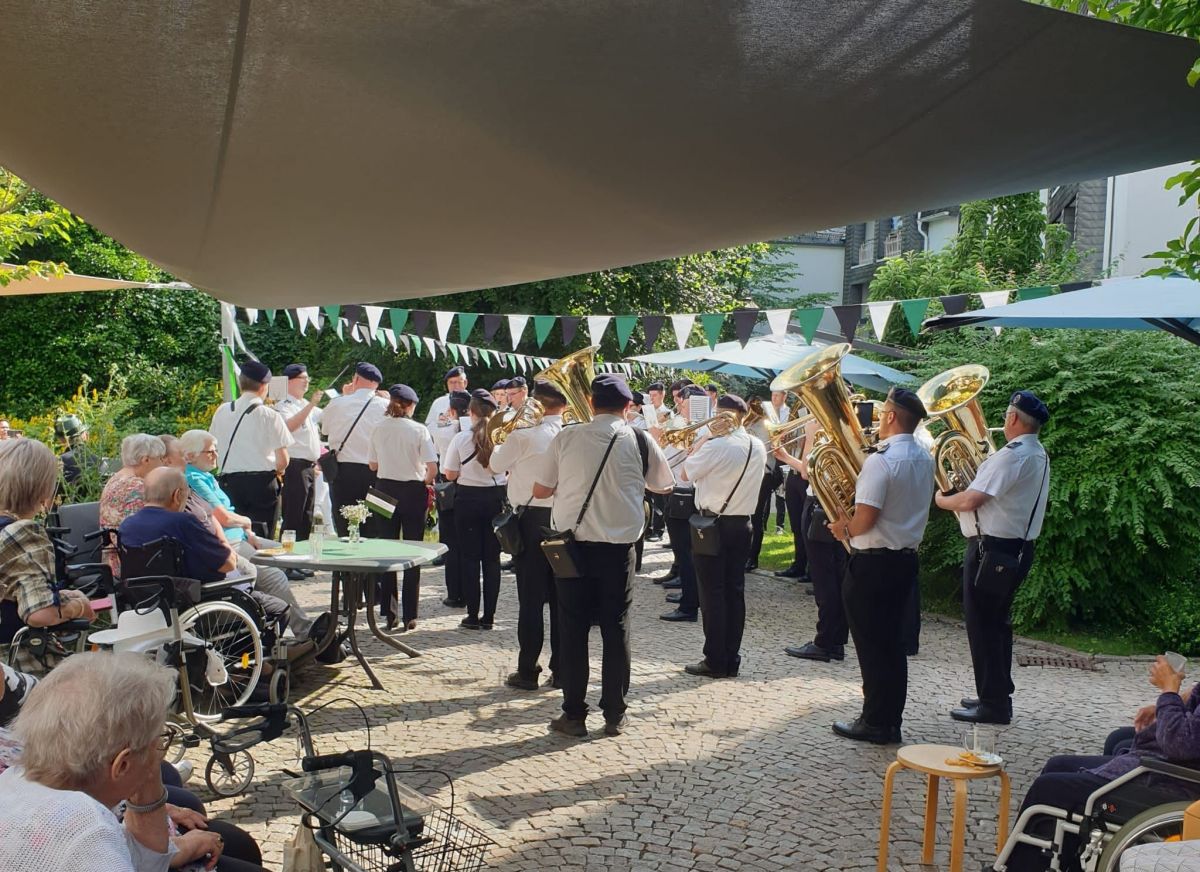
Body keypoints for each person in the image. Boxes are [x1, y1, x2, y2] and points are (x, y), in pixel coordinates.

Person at [0, 651, 262, 872]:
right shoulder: (88, 828)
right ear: (122, 765)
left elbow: (142, 859)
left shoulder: (15, 780)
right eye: (159, 741)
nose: (160, 754)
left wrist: (146, 777)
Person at [532, 374, 674, 738]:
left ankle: (574, 715)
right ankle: (615, 713)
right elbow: (664, 485)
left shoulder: (567, 436)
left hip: (572, 548)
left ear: (590, 403)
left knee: (572, 629)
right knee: (616, 628)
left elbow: (541, 488)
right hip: (618, 551)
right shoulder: (640, 439)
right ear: (629, 407)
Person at [996, 656, 1200, 872]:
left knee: (1048, 788)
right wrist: (1175, 702)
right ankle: (1064, 860)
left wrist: (1169, 691)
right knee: (1061, 764)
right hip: (1175, 769)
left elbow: (1180, 743)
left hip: (1175, 783)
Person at [936, 389, 1051, 726]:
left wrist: (942, 499)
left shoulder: (1013, 456)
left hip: (994, 549)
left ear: (1013, 418)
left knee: (983, 625)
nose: (1004, 420)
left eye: (1006, 415)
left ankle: (994, 705)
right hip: (1010, 548)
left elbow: (971, 499)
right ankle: (995, 693)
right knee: (996, 624)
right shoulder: (1035, 452)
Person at [828, 387, 935, 744]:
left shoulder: (881, 459)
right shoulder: (924, 454)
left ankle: (875, 721)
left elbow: (866, 520)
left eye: (882, 412)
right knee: (891, 645)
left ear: (890, 416)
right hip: (904, 561)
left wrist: (843, 527)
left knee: (872, 645)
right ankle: (889, 719)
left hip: (873, 564)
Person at [179, 430, 319, 637]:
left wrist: (248, 531)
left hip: (240, 535)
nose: (216, 455)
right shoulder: (193, 477)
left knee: (293, 551)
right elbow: (224, 518)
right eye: (210, 452)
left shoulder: (206, 476)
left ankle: (294, 627)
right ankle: (305, 632)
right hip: (229, 542)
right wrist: (246, 522)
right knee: (274, 576)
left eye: (217, 450)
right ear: (190, 455)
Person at [680, 394, 767, 678]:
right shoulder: (757, 445)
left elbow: (684, 473)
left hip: (712, 525)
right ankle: (732, 657)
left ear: (722, 416)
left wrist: (702, 442)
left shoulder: (716, 445)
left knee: (712, 593)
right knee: (735, 591)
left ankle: (714, 659)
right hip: (743, 525)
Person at [490, 380, 566, 690]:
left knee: (531, 600)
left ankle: (527, 670)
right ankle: (562, 670)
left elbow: (495, 464)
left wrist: (502, 436)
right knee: (562, 600)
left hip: (531, 521)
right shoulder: (571, 433)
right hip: (563, 519)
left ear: (537, 402)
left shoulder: (523, 435)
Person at [0, 439, 96, 669]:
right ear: (44, 489)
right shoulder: (23, 532)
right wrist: (79, 606)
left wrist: (59, 596)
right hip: (15, 664)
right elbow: (39, 613)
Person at [776, 416, 849, 663]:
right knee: (836, 576)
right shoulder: (845, 437)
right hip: (832, 507)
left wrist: (809, 436)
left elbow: (808, 473)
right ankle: (836, 640)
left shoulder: (829, 438)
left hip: (820, 507)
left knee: (825, 579)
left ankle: (825, 642)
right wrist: (786, 458)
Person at [367, 384, 437, 631]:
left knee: (387, 550)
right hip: (411, 490)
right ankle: (410, 614)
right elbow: (432, 468)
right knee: (412, 551)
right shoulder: (419, 429)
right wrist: (423, 482)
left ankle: (389, 611)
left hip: (383, 488)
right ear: (411, 405)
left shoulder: (377, 428)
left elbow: (372, 465)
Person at [443, 391, 507, 629]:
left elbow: (450, 474)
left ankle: (472, 615)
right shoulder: (502, 438)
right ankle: (489, 617)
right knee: (492, 561)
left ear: (471, 413)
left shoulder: (460, 439)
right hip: (495, 499)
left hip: (467, 499)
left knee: (470, 559)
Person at [208, 360, 292, 538]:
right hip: (261, 485)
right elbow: (283, 460)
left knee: (234, 535)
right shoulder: (270, 415)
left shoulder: (222, 411)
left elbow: (213, 446)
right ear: (264, 386)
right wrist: (279, 469)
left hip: (229, 483)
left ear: (240, 384)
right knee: (261, 537)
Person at [118, 467, 240, 583]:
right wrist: (225, 544)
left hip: (146, 597)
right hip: (194, 595)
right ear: (177, 495)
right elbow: (228, 564)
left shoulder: (126, 525)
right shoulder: (183, 522)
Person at [656, 384, 708, 622]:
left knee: (685, 552)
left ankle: (689, 606)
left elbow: (676, 461)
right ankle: (690, 595)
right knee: (685, 552)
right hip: (680, 491)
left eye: (684, 403)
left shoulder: (699, 430)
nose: (680, 406)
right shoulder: (692, 427)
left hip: (685, 495)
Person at [321, 362, 388, 536]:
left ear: (355, 379)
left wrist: (345, 396)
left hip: (343, 471)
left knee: (344, 519)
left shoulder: (337, 403)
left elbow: (324, 430)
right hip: (376, 471)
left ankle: (347, 559)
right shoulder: (385, 406)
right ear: (377, 384)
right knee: (375, 521)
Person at [98, 434, 168, 573]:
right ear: (146, 459)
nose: (163, 463)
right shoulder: (137, 487)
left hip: (112, 561)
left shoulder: (115, 479)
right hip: (132, 566)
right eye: (161, 458)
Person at [274, 362, 325, 541]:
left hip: (310, 466)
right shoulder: (284, 405)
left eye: (307, 378)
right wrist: (311, 405)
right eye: (302, 378)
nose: (307, 382)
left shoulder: (303, 404)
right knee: (294, 513)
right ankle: (288, 560)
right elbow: (288, 427)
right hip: (294, 465)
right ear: (289, 381)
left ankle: (302, 559)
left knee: (307, 515)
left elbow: (326, 416)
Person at [745, 397, 779, 572]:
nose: (753, 412)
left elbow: (770, 450)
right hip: (746, 474)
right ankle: (744, 553)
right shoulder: (744, 424)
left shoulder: (767, 426)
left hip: (763, 473)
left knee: (756, 516)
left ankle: (753, 557)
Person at [56, 414, 101, 498]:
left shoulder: (59, 463)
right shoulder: (98, 460)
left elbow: (50, 500)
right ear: (85, 436)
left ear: (61, 440)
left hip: (65, 510)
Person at [425, 366, 468, 445]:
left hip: (466, 447)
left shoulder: (474, 401)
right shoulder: (438, 402)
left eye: (457, 382)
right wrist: (441, 423)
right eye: (451, 382)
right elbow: (428, 427)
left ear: (465, 383)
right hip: (443, 451)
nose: (454, 386)